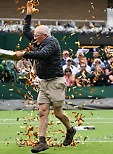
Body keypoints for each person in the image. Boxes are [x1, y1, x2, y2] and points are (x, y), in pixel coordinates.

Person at [13, 1, 76, 153]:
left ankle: (70, 129)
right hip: (43, 82)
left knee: (58, 113)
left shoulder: (52, 42)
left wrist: (24, 54)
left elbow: (42, 55)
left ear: (44, 35)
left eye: (36, 36)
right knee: (42, 111)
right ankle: (42, 142)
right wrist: (28, 13)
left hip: (55, 82)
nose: (33, 38)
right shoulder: (38, 40)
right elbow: (26, 29)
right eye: (34, 36)